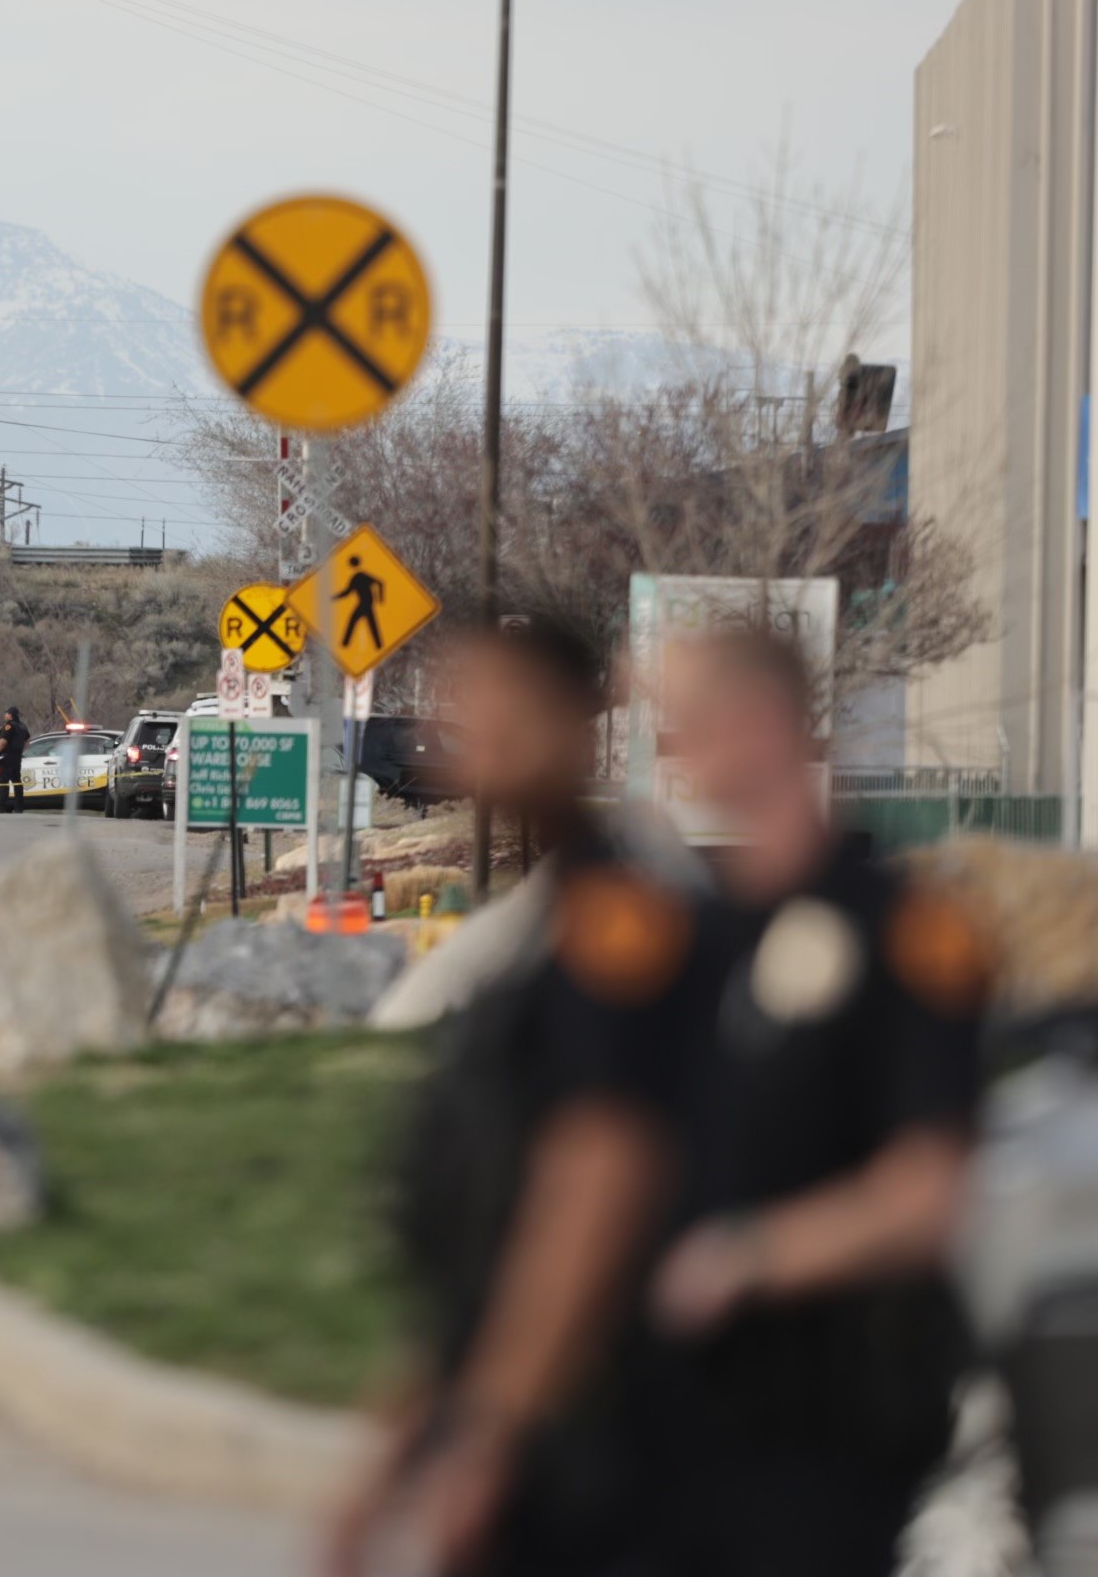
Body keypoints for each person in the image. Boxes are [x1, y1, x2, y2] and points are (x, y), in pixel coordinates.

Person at [333, 617, 700, 1577]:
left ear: (579, 727)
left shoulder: (620, 924)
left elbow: (598, 1181)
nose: (477, 727)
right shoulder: (543, 926)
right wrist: (400, 1448)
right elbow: (485, 1236)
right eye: (466, 703)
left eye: (508, 706)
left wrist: (493, 1435)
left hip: (602, 1434)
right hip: (523, 1416)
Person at [636, 627, 992, 1577]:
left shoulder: (909, 935)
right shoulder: (695, 934)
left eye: (690, 725)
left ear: (760, 726)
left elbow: (930, 1192)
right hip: (677, 1424)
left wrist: (745, 1259)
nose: (675, 750)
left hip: (827, 1424)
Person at [0, 706, 33, 812]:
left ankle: (1, 807)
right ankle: (19, 807)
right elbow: (27, 740)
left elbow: (3, 742)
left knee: (4, 781)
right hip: (17, 757)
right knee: (17, 781)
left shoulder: (9, 726)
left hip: (7, 756)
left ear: (11, 715)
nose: (5, 715)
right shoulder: (22, 726)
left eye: (6, 713)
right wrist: (21, 750)